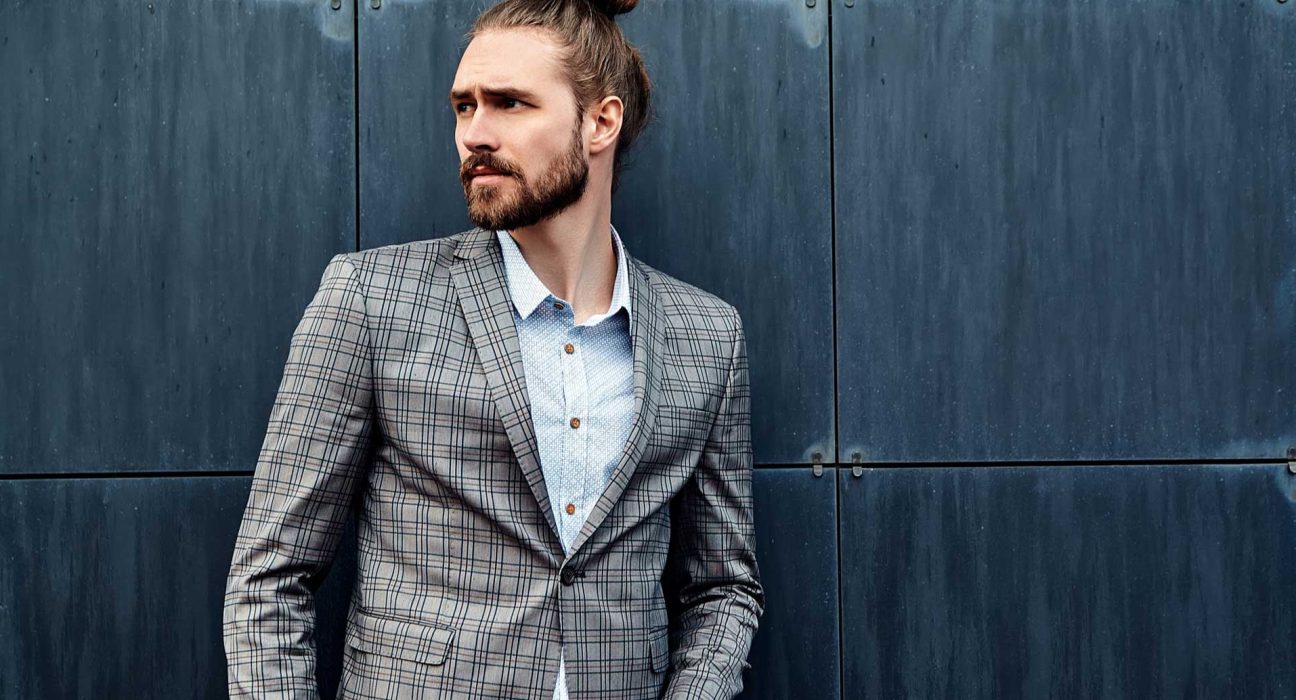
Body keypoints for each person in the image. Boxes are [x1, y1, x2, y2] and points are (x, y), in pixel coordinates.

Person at [221, 0, 763, 697]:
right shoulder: (371, 299)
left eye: (509, 103)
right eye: (463, 106)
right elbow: (271, 575)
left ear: (600, 122)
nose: (474, 134)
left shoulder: (708, 337)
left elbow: (723, 587)